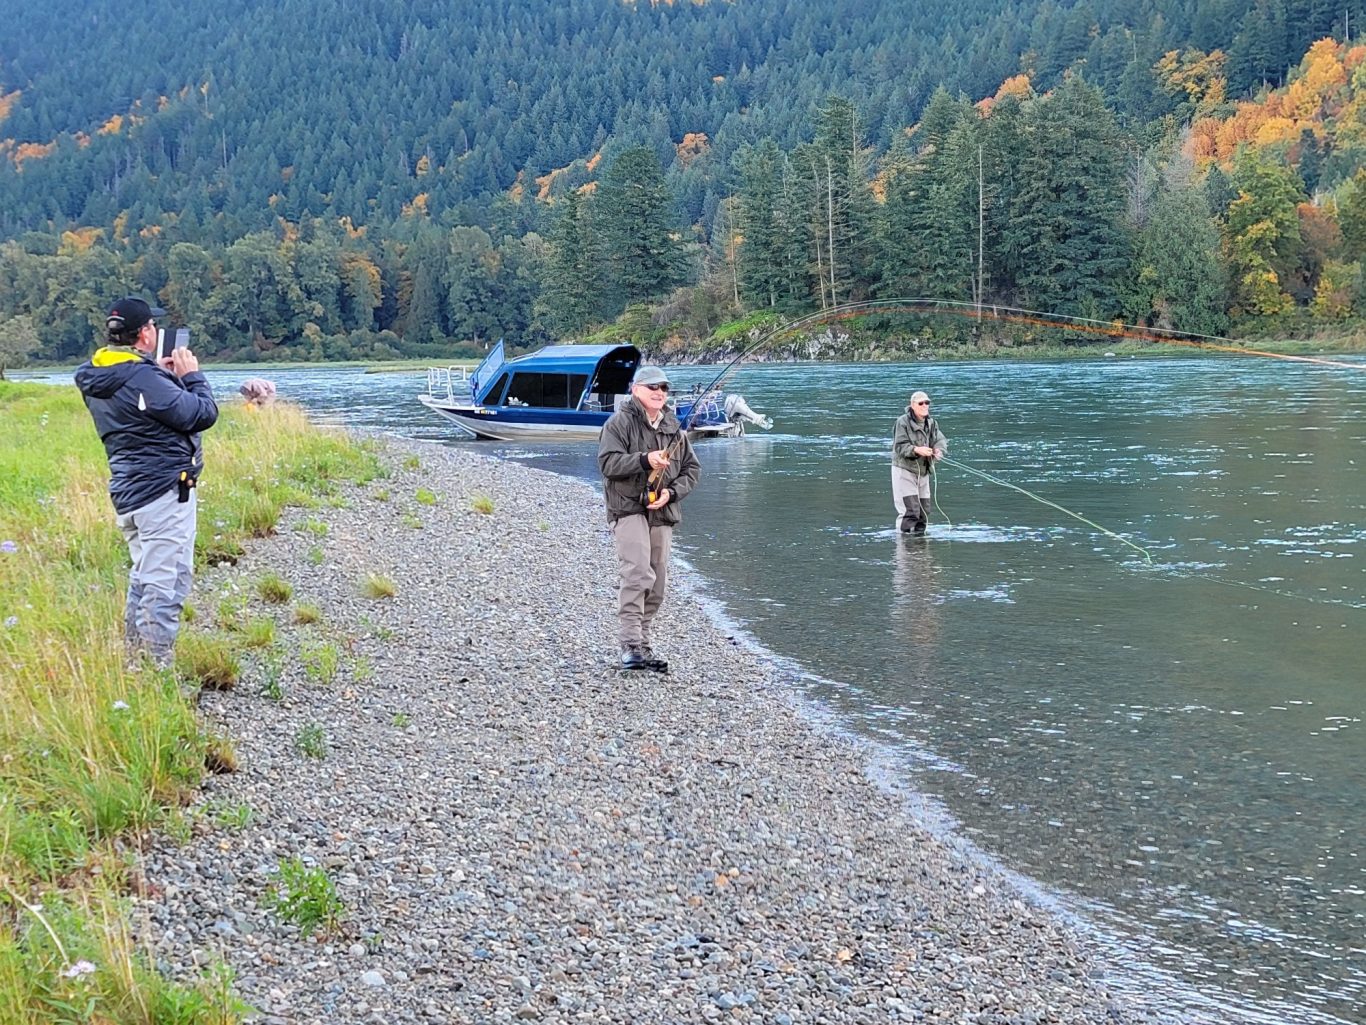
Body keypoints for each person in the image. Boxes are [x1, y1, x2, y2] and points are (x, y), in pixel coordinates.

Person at [75, 297, 219, 668]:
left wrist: (160, 375)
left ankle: (134, 661)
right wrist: (190, 377)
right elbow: (200, 414)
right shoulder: (143, 377)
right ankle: (154, 670)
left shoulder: (100, 372)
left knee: (145, 577)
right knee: (165, 583)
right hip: (162, 493)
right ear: (145, 333)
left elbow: (141, 406)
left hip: (130, 491)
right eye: (152, 326)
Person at [597, 365, 701, 672]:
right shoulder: (619, 423)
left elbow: (692, 470)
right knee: (637, 573)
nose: (658, 392)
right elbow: (607, 463)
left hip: (661, 510)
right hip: (627, 508)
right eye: (652, 386)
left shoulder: (674, 429)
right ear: (636, 390)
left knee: (657, 582)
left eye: (664, 388)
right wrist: (645, 460)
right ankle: (630, 645)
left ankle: (642, 644)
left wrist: (672, 492)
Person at [891, 390, 947, 535]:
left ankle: (920, 549)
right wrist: (916, 450)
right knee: (910, 511)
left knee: (924, 511)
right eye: (921, 403)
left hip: (924, 471)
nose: (925, 405)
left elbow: (940, 440)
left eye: (927, 402)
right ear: (912, 405)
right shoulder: (902, 422)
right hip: (905, 469)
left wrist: (938, 451)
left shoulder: (932, 423)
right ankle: (904, 547)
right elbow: (899, 446)